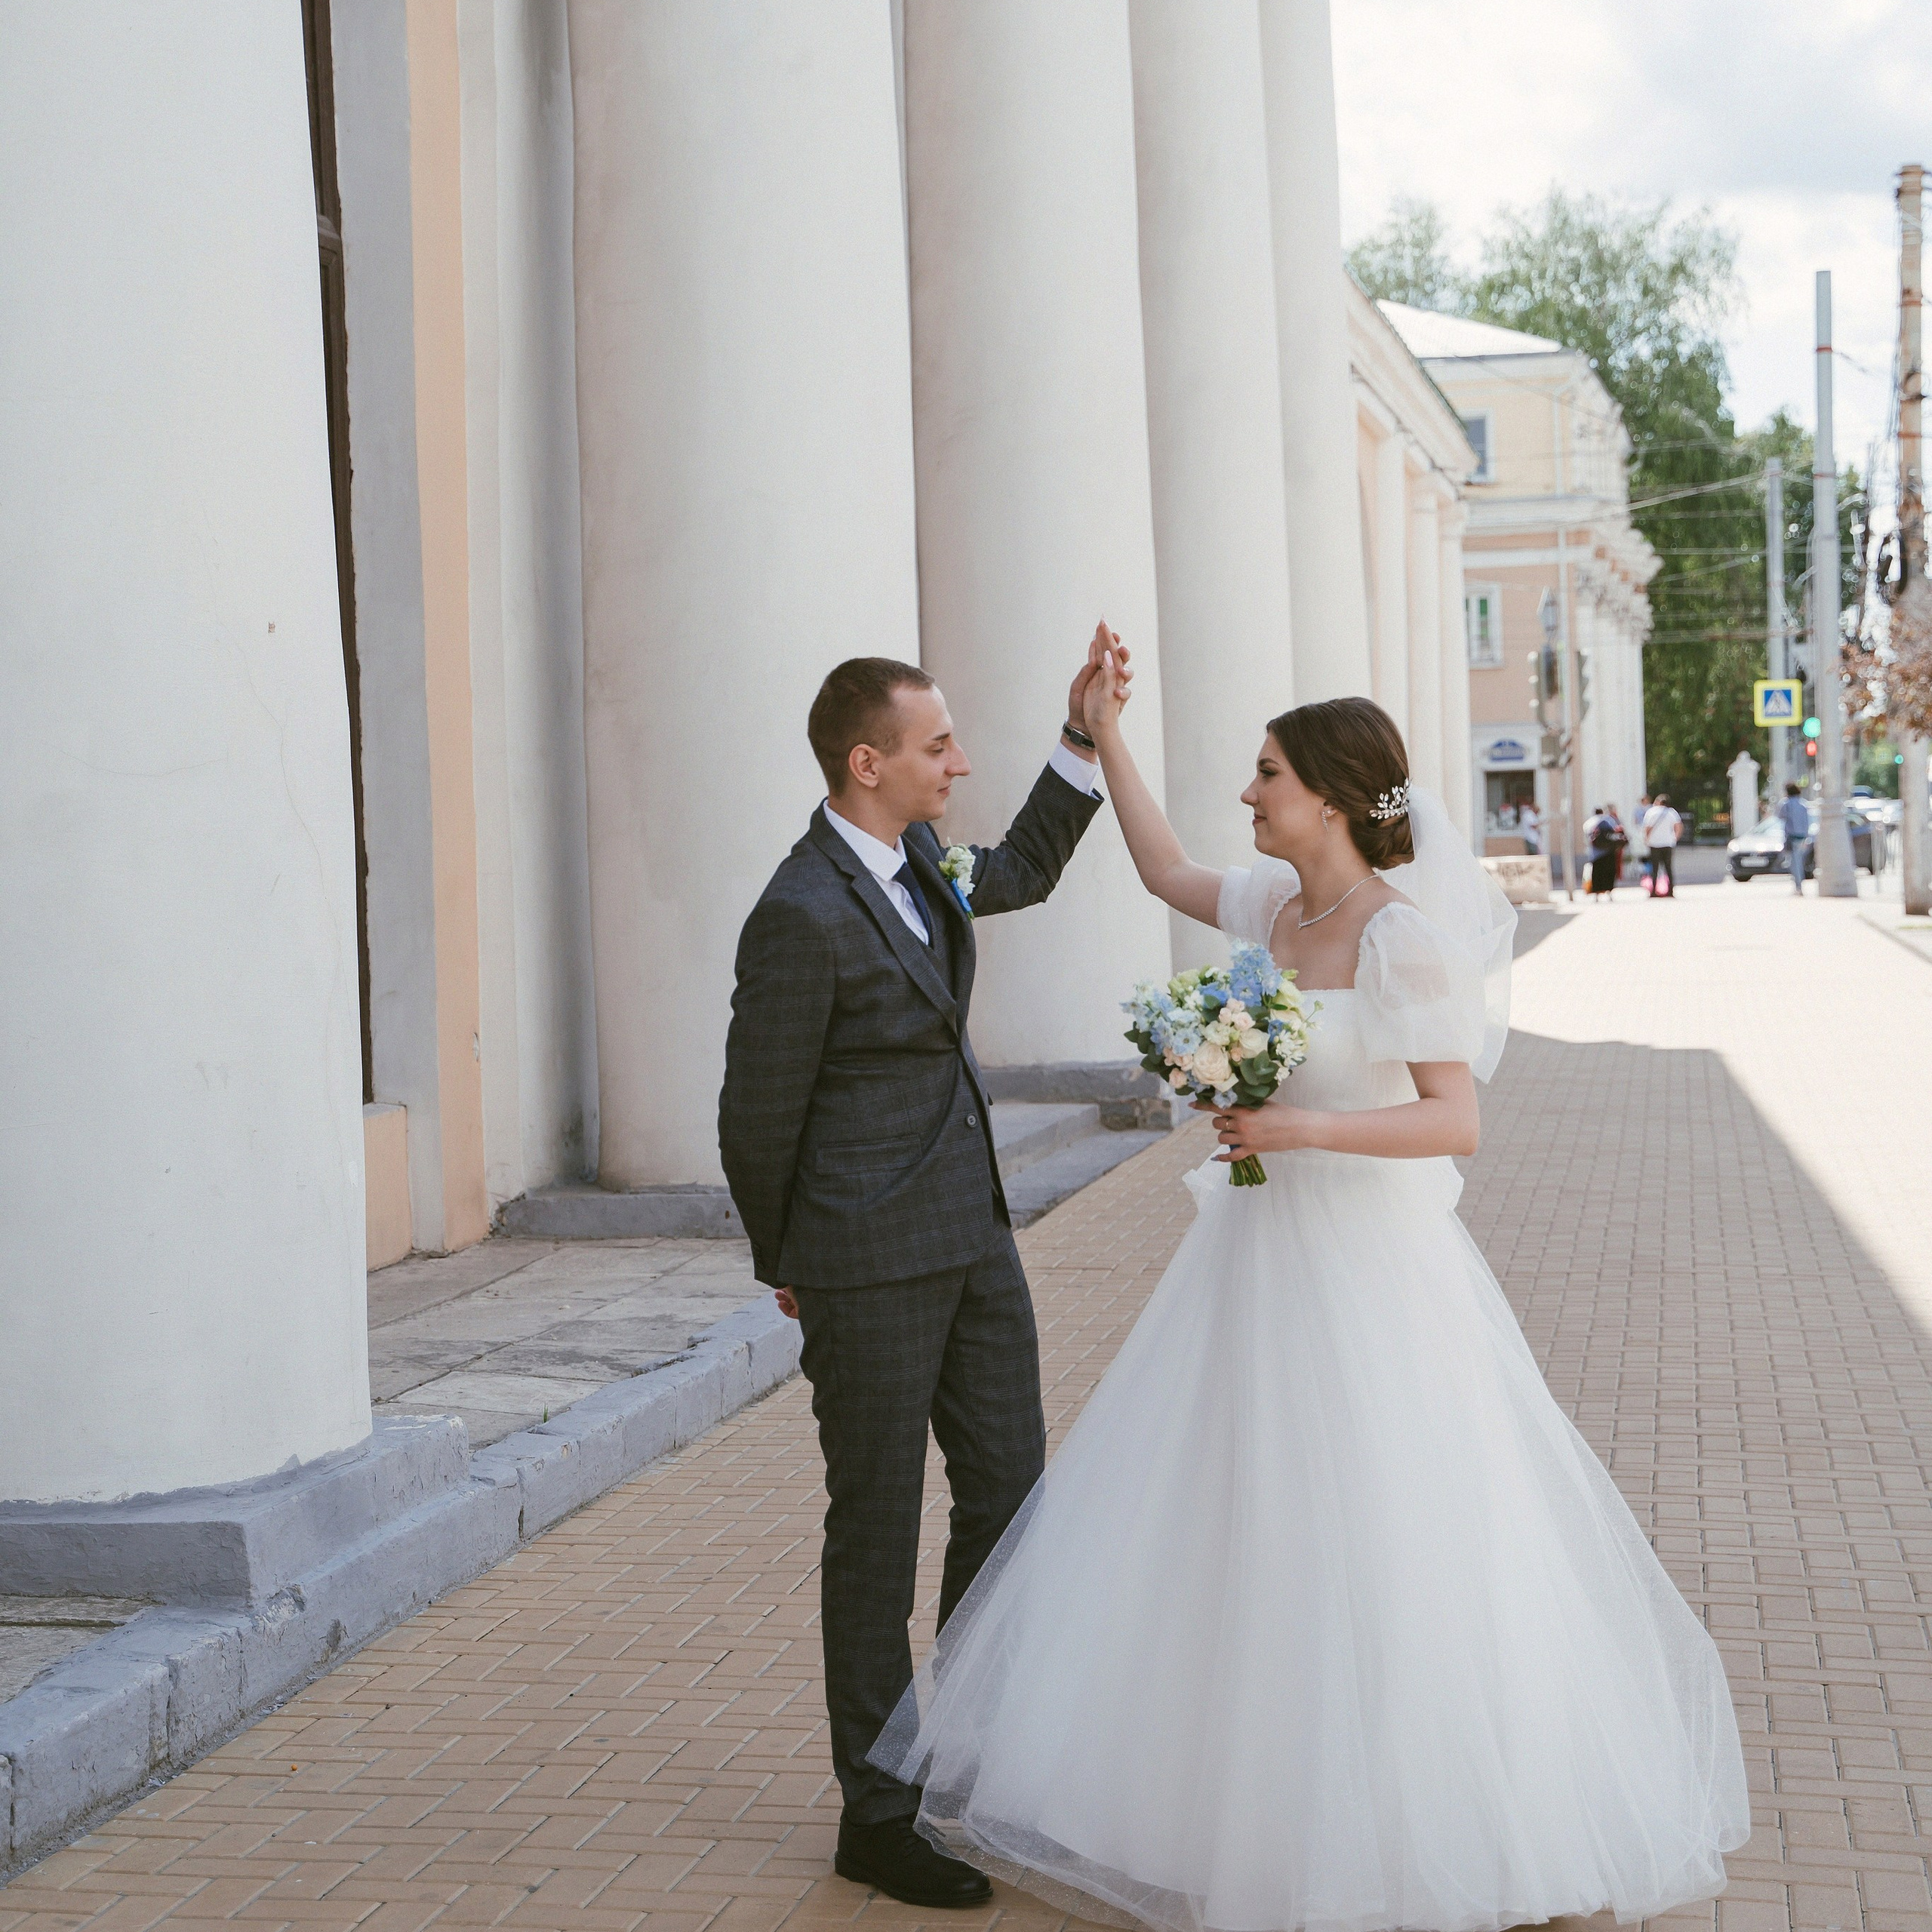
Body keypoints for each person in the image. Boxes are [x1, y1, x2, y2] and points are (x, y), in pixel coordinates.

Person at [872, 663, 1749, 1932]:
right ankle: (1231, 1802)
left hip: (1370, 1277)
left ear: (1333, 797)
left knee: (1382, 1530)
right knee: (1238, 1513)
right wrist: (1104, 735)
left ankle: (1436, 1829)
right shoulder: (1277, 909)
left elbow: (1456, 1121)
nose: (1249, 792)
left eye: (1269, 775)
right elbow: (1166, 867)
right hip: (1254, 1261)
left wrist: (1299, 1126)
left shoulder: (1403, 938)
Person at [718, 635, 1120, 1909]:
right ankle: (877, 1814)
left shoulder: (927, 862)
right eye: (939, 745)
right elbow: (754, 1113)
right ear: (867, 762)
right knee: (877, 1533)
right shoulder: (796, 914)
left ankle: (967, 1760)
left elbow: (1028, 869)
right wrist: (789, 1260)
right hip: (865, 1264)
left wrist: (1083, 734)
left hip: (973, 1243)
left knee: (1010, 1498)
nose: (960, 761)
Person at [1642, 791, 1682, 895]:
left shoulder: (1651, 812)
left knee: (1654, 868)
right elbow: (1679, 826)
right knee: (1668, 868)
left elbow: (1647, 828)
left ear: (1659, 802)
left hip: (1654, 843)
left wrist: (1646, 839)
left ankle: (1653, 891)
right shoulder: (1672, 812)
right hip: (1668, 843)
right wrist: (1675, 838)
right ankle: (1671, 890)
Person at [1585, 801, 1626, 898]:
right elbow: (1615, 830)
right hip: (1608, 851)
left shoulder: (1589, 822)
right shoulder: (1607, 820)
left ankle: (1597, 893)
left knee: (1597, 873)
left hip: (1595, 853)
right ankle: (1609, 892)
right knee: (1609, 872)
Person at [1780, 780, 1812, 893]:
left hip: (1792, 836)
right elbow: (1807, 822)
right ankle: (1799, 885)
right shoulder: (1803, 804)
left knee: (1794, 863)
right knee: (1799, 861)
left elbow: (1780, 816)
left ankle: (1799, 886)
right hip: (1802, 837)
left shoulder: (1786, 804)